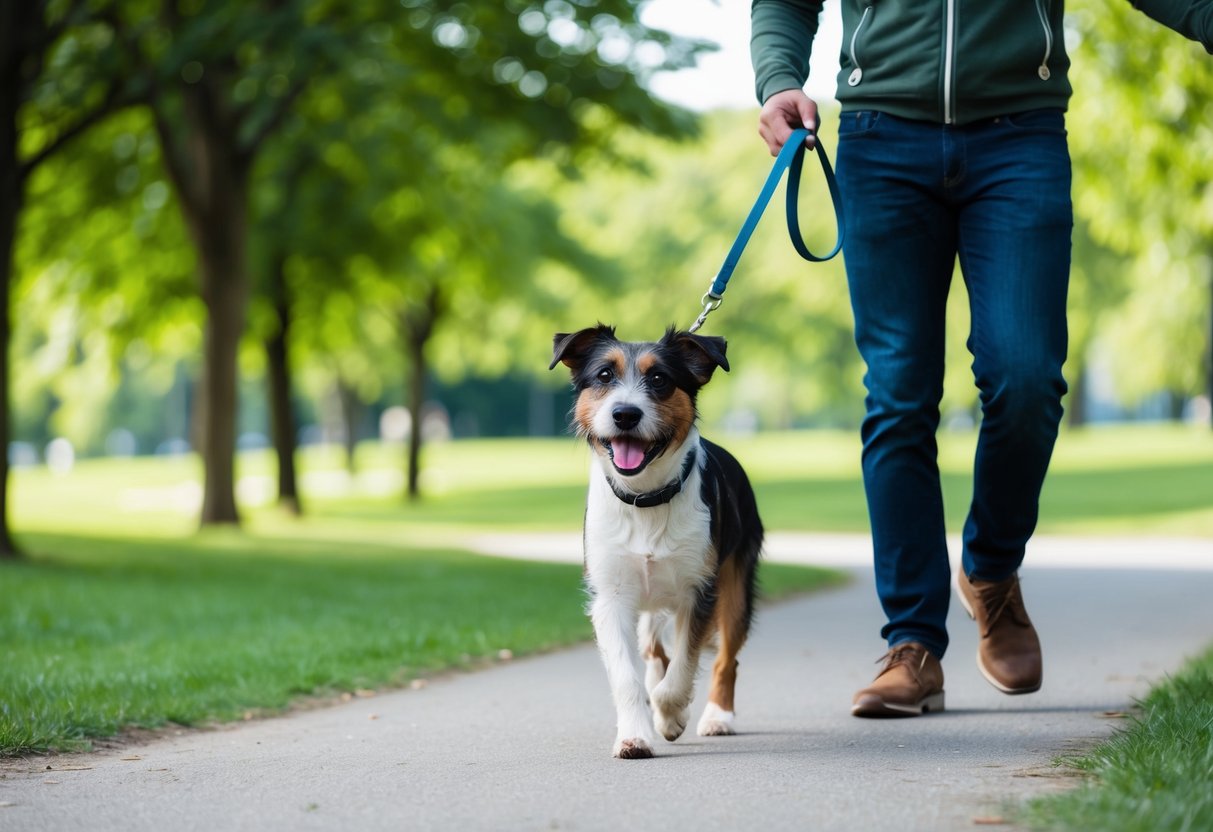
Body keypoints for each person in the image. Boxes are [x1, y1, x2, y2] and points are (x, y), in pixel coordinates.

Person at [750, 0, 1213, 717]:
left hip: (1019, 137)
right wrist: (778, 77)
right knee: (897, 394)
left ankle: (990, 571)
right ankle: (912, 646)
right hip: (880, 138)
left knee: (1025, 378)